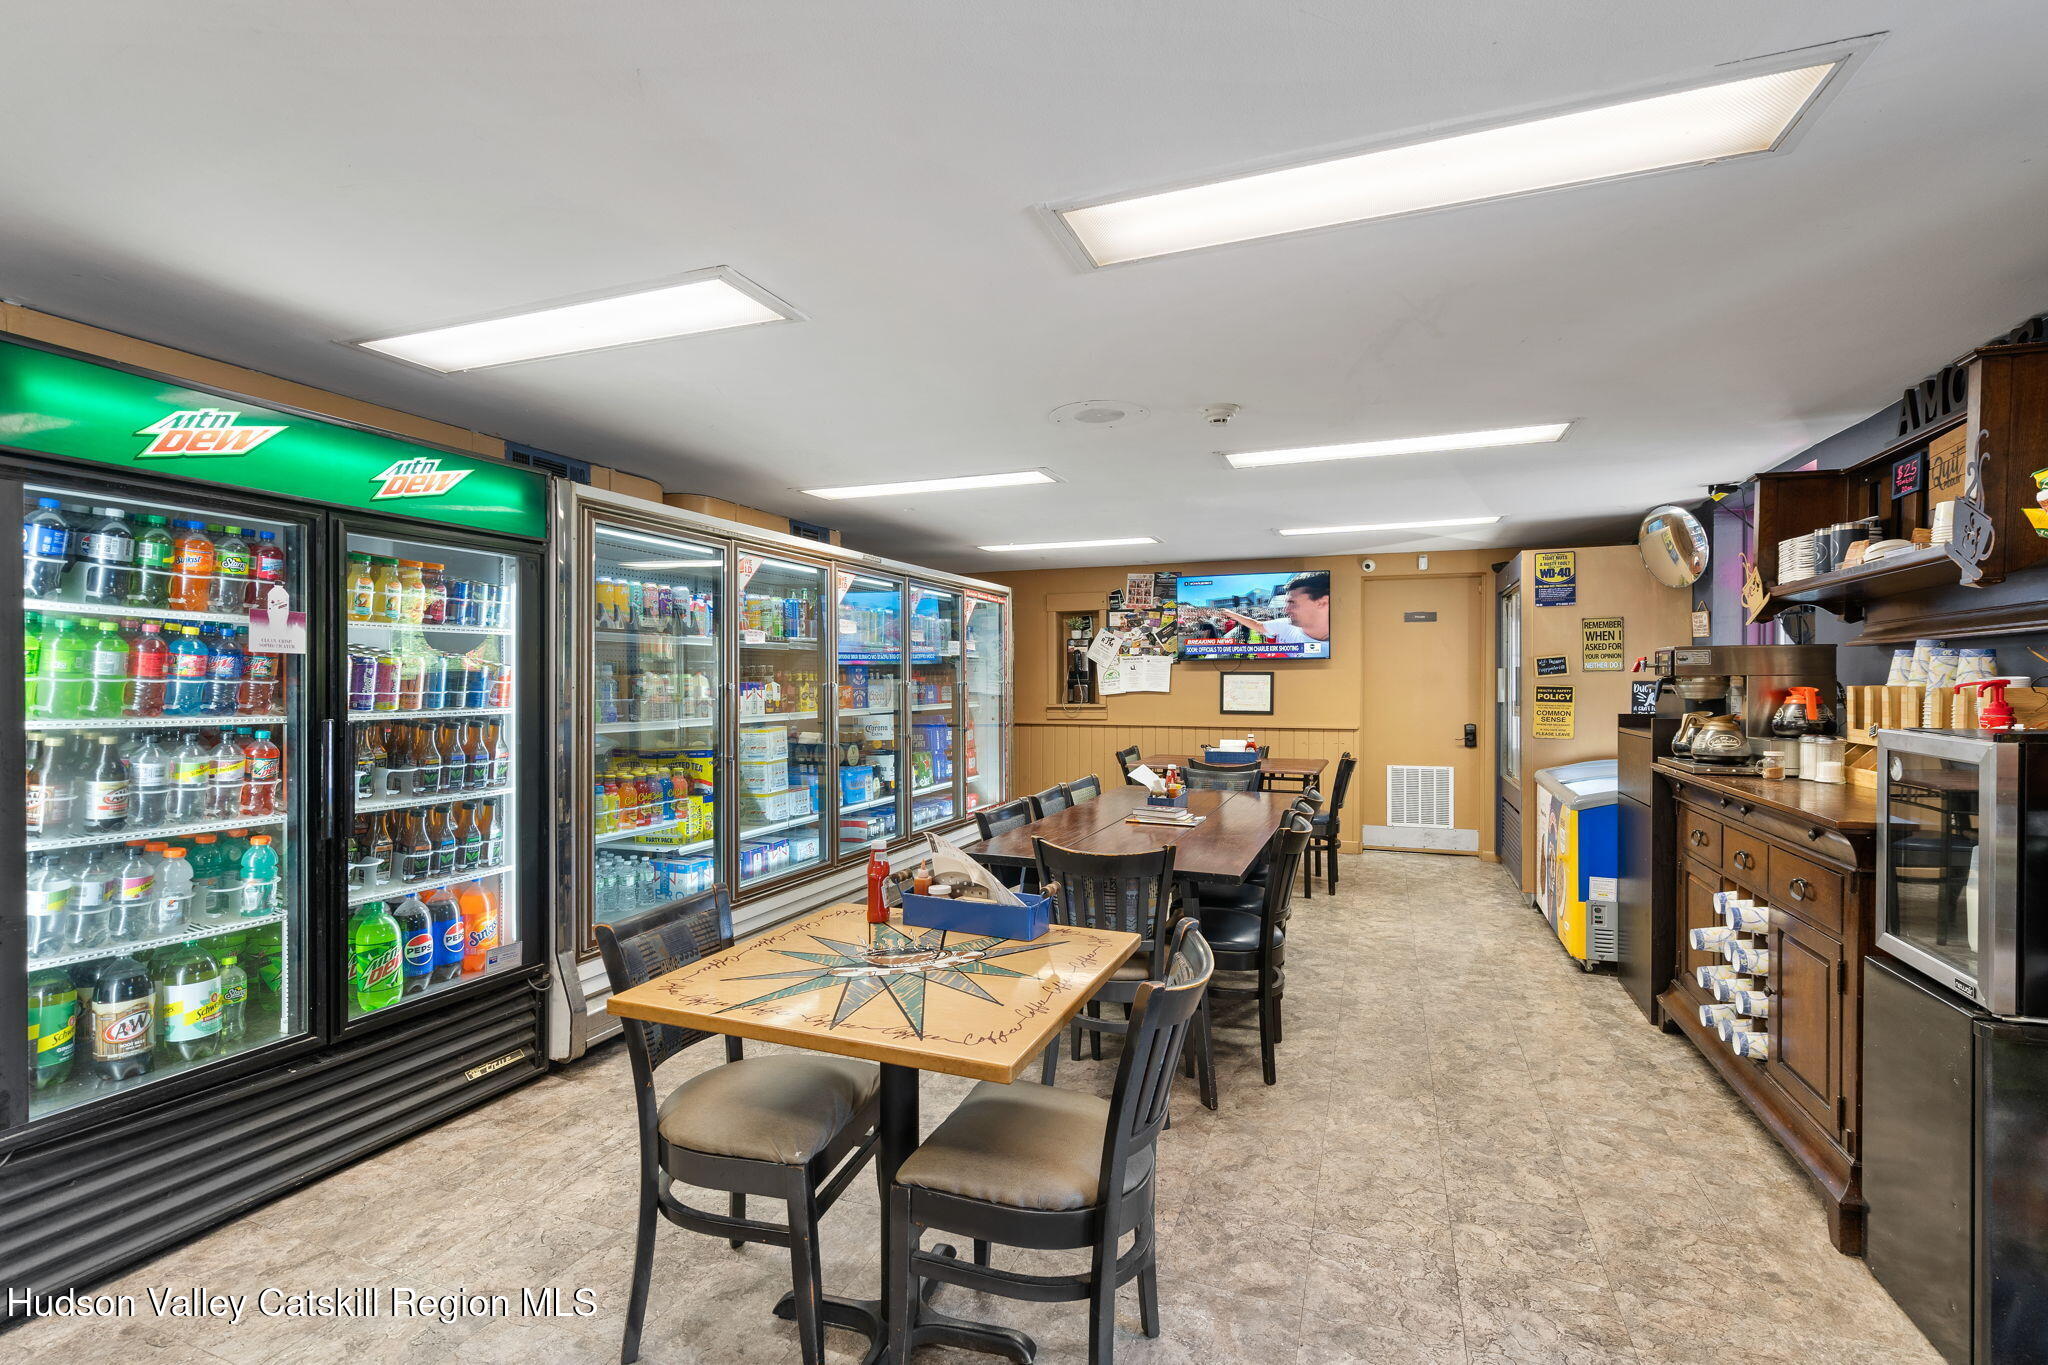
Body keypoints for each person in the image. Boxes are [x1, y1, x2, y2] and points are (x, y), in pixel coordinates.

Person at [1216, 572, 1330, 646]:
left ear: (1322, 602)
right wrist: (1231, 614)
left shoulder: (1335, 649)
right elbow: (1257, 625)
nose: (1285, 610)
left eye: (1292, 602)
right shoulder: (1285, 625)